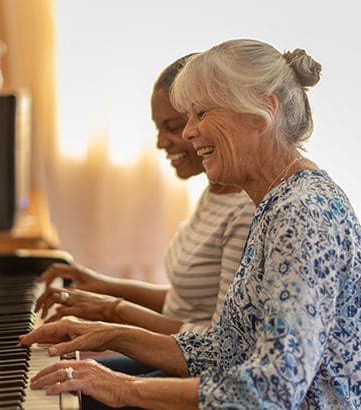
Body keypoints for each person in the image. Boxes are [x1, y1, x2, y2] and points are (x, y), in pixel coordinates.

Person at [20, 39, 361, 409]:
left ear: (262, 112)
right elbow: (226, 348)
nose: (189, 133)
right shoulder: (278, 202)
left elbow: (272, 390)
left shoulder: (303, 214)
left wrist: (124, 387)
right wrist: (108, 333)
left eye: (201, 114)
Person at [34, 54, 255, 342]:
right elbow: (183, 305)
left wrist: (113, 311)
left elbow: (217, 342)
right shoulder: (216, 190)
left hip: (194, 369)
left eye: (172, 127)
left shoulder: (244, 212)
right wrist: (101, 285)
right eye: (158, 129)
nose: (160, 142)